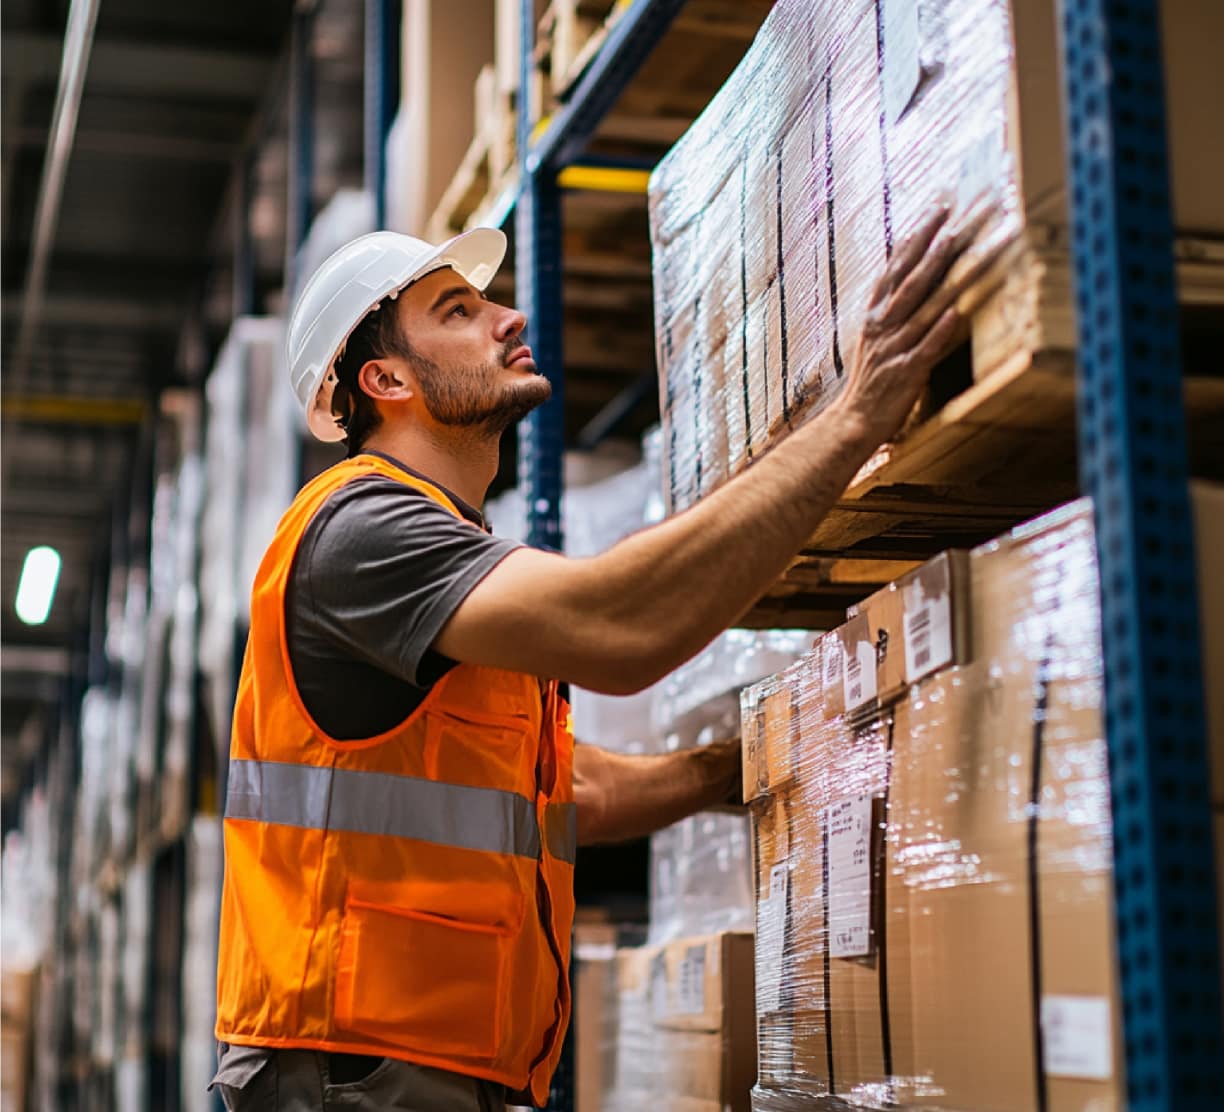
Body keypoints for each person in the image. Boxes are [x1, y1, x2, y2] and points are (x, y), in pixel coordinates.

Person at [212, 202, 995, 1111]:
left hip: (411, 1068)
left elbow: (570, 793)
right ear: (385, 379)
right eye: (458, 312)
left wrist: (754, 763)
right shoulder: (360, 530)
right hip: (352, 1070)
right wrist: (853, 417)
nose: (510, 319)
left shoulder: (443, 560)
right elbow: (618, 628)